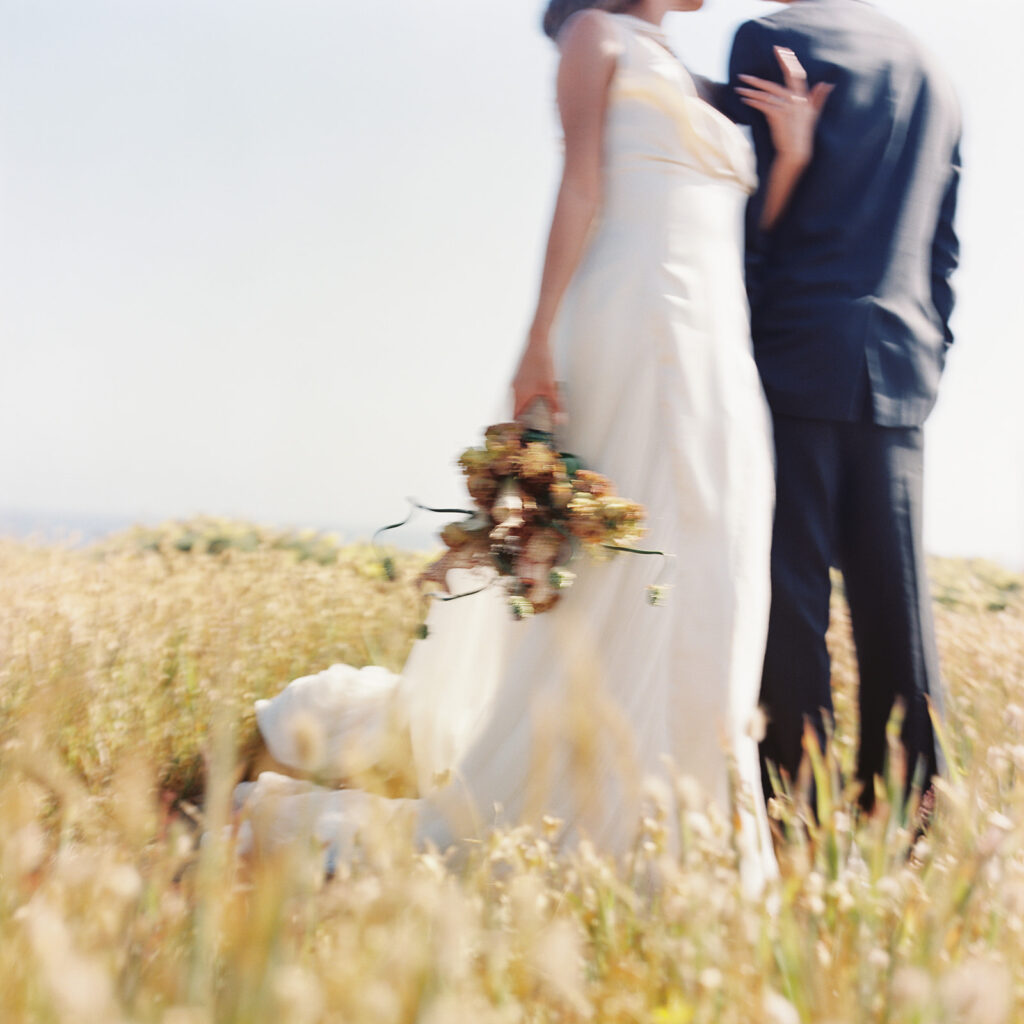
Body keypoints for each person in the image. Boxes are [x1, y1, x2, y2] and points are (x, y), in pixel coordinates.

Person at [236, 0, 826, 892]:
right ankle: (600, 807)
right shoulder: (598, 36)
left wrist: (795, 153)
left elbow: (748, 240)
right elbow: (581, 186)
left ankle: (690, 815)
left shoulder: (699, 76)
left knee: (717, 561)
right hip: (636, 326)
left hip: (717, 346)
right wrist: (539, 336)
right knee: (635, 564)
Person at [721, 0, 961, 810]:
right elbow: (944, 250)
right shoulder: (935, 72)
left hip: (790, 353)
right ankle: (908, 818)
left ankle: (795, 814)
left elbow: (742, 215)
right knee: (900, 610)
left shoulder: (771, 40)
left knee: (791, 604)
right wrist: (929, 349)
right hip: (902, 365)